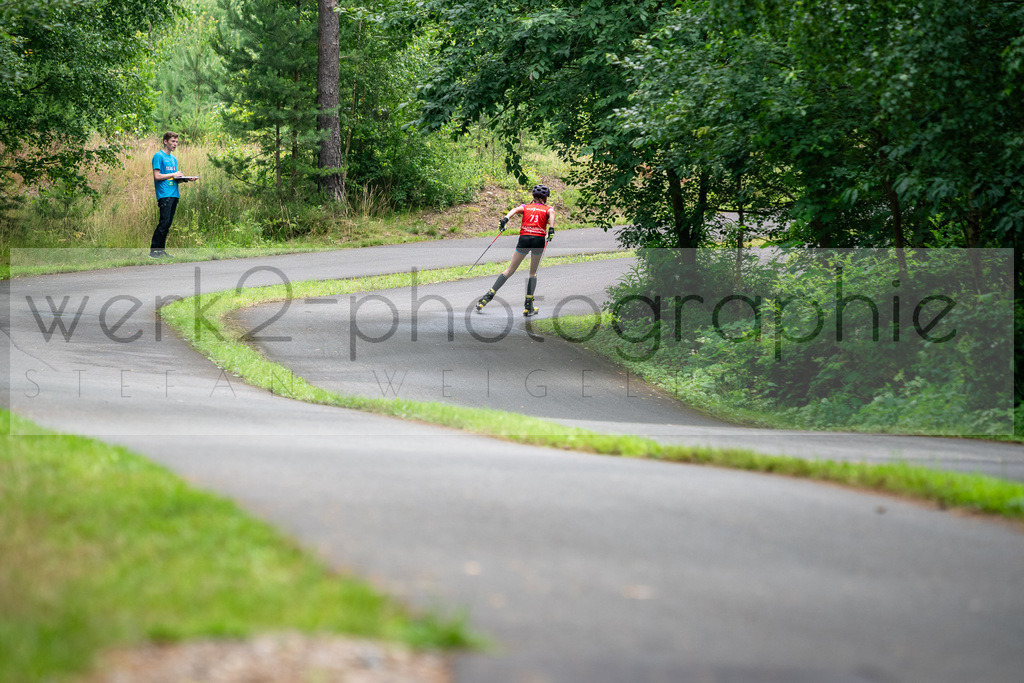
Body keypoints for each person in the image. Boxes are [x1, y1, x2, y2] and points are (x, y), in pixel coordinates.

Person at [476, 184, 555, 317]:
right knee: (533, 273)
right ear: (545, 198)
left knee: (509, 270)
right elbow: (551, 214)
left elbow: (514, 210)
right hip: (538, 240)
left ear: (533, 196)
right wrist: (551, 229)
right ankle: (528, 306)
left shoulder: (525, 207)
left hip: (524, 239)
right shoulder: (548, 208)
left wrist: (505, 219)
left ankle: (487, 297)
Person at [149, 131, 194, 258]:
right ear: (165, 141)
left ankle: (161, 251)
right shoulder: (158, 156)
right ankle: (153, 251)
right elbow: (157, 176)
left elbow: (173, 178)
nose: (175, 144)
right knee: (163, 223)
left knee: (168, 223)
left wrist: (186, 179)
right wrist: (174, 174)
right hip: (164, 194)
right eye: (172, 141)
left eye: (176, 142)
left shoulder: (173, 159)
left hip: (174, 193)